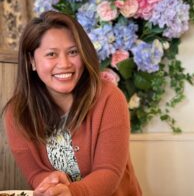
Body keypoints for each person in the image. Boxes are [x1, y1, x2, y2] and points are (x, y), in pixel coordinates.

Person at [3, 11, 142, 196]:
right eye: (51, 54)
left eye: (73, 52)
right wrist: (50, 184)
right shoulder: (17, 112)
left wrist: (72, 192)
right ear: (31, 61)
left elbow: (109, 171)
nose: (64, 63)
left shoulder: (109, 98)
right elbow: (35, 173)